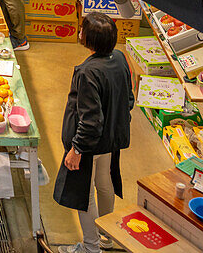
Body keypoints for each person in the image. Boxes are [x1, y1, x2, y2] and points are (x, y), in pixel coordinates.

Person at [55, 13, 134, 253]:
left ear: (90, 39)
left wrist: (76, 149)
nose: (79, 32)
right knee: (105, 183)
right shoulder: (120, 59)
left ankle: (90, 248)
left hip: (88, 146)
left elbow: (90, 120)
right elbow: (128, 100)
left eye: (82, 29)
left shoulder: (87, 72)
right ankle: (106, 238)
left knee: (84, 194)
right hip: (110, 141)